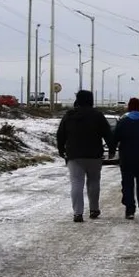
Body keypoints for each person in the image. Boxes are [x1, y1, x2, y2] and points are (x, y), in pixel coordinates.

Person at [56, 89, 113, 223]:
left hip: (74, 155)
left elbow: (60, 134)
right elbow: (108, 133)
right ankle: (94, 209)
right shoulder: (97, 115)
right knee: (93, 182)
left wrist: (61, 149)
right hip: (94, 155)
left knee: (76, 183)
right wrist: (111, 148)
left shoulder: (69, 115)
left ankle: (78, 213)